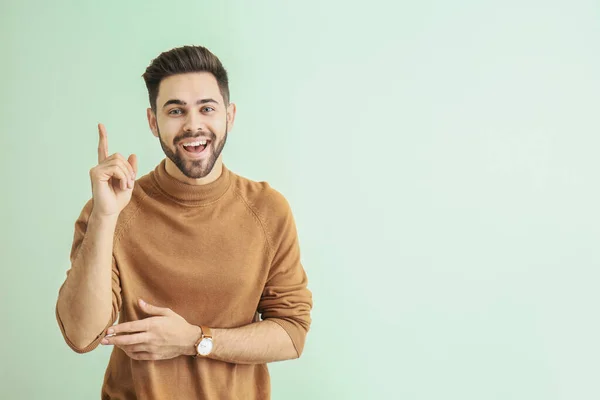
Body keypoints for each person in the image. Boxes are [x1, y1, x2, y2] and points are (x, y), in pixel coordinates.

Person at [55, 45, 313, 400]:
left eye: (207, 108)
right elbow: (81, 335)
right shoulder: (112, 209)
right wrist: (104, 218)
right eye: (175, 111)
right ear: (152, 121)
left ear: (230, 116)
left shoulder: (268, 210)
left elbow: (292, 333)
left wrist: (195, 340)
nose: (193, 125)